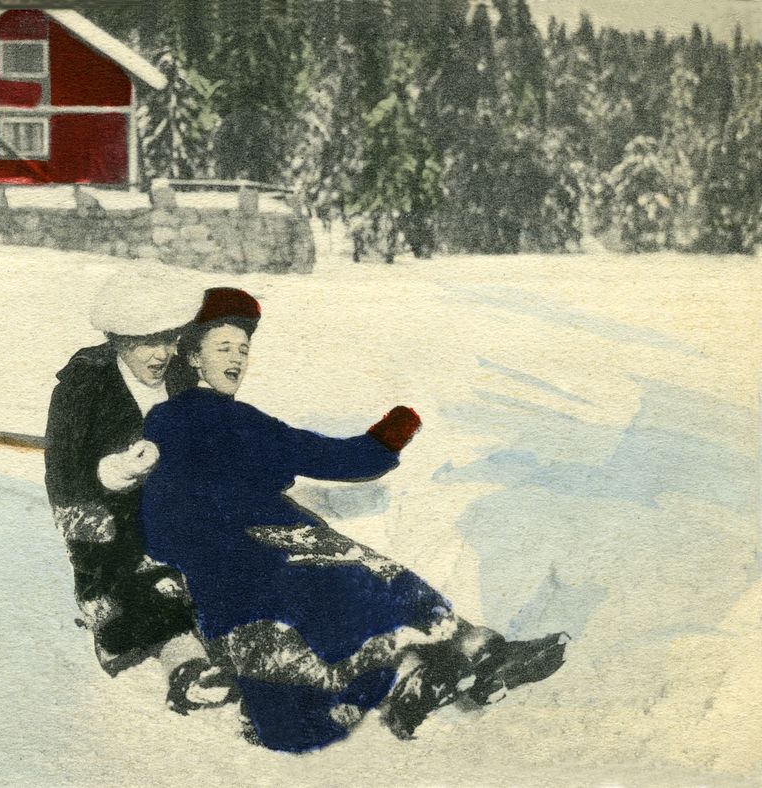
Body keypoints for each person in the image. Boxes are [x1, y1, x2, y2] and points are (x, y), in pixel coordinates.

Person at [140, 288, 567, 751]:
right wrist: (396, 430)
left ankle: (441, 672)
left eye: (243, 348)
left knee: (356, 582)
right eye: (223, 347)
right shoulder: (193, 418)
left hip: (252, 559)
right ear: (194, 357)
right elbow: (335, 458)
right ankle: (463, 660)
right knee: (365, 579)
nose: (237, 358)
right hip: (246, 554)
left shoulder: (204, 419)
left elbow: (318, 457)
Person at [44, 271, 235, 713]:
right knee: (145, 578)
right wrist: (112, 474)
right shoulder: (82, 388)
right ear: (118, 340)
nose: (162, 354)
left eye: (170, 339)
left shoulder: (181, 381)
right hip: (109, 514)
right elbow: (65, 481)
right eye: (147, 342)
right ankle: (187, 667)